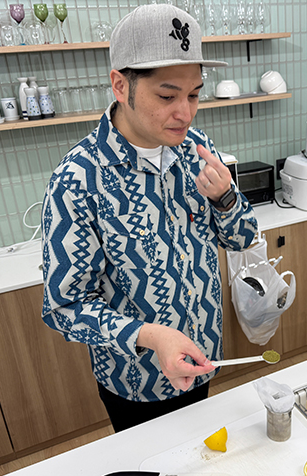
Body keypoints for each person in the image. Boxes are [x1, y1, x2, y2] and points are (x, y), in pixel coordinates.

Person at [41, 4, 258, 433]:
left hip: (204, 358)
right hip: (136, 383)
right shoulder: (78, 180)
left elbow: (243, 238)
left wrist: (225, 198)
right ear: (121, 85)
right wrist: (152, 336)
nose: (186, 113)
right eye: (167, 96)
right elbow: (65, 306)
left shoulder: (193, 147)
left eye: (194, 94)